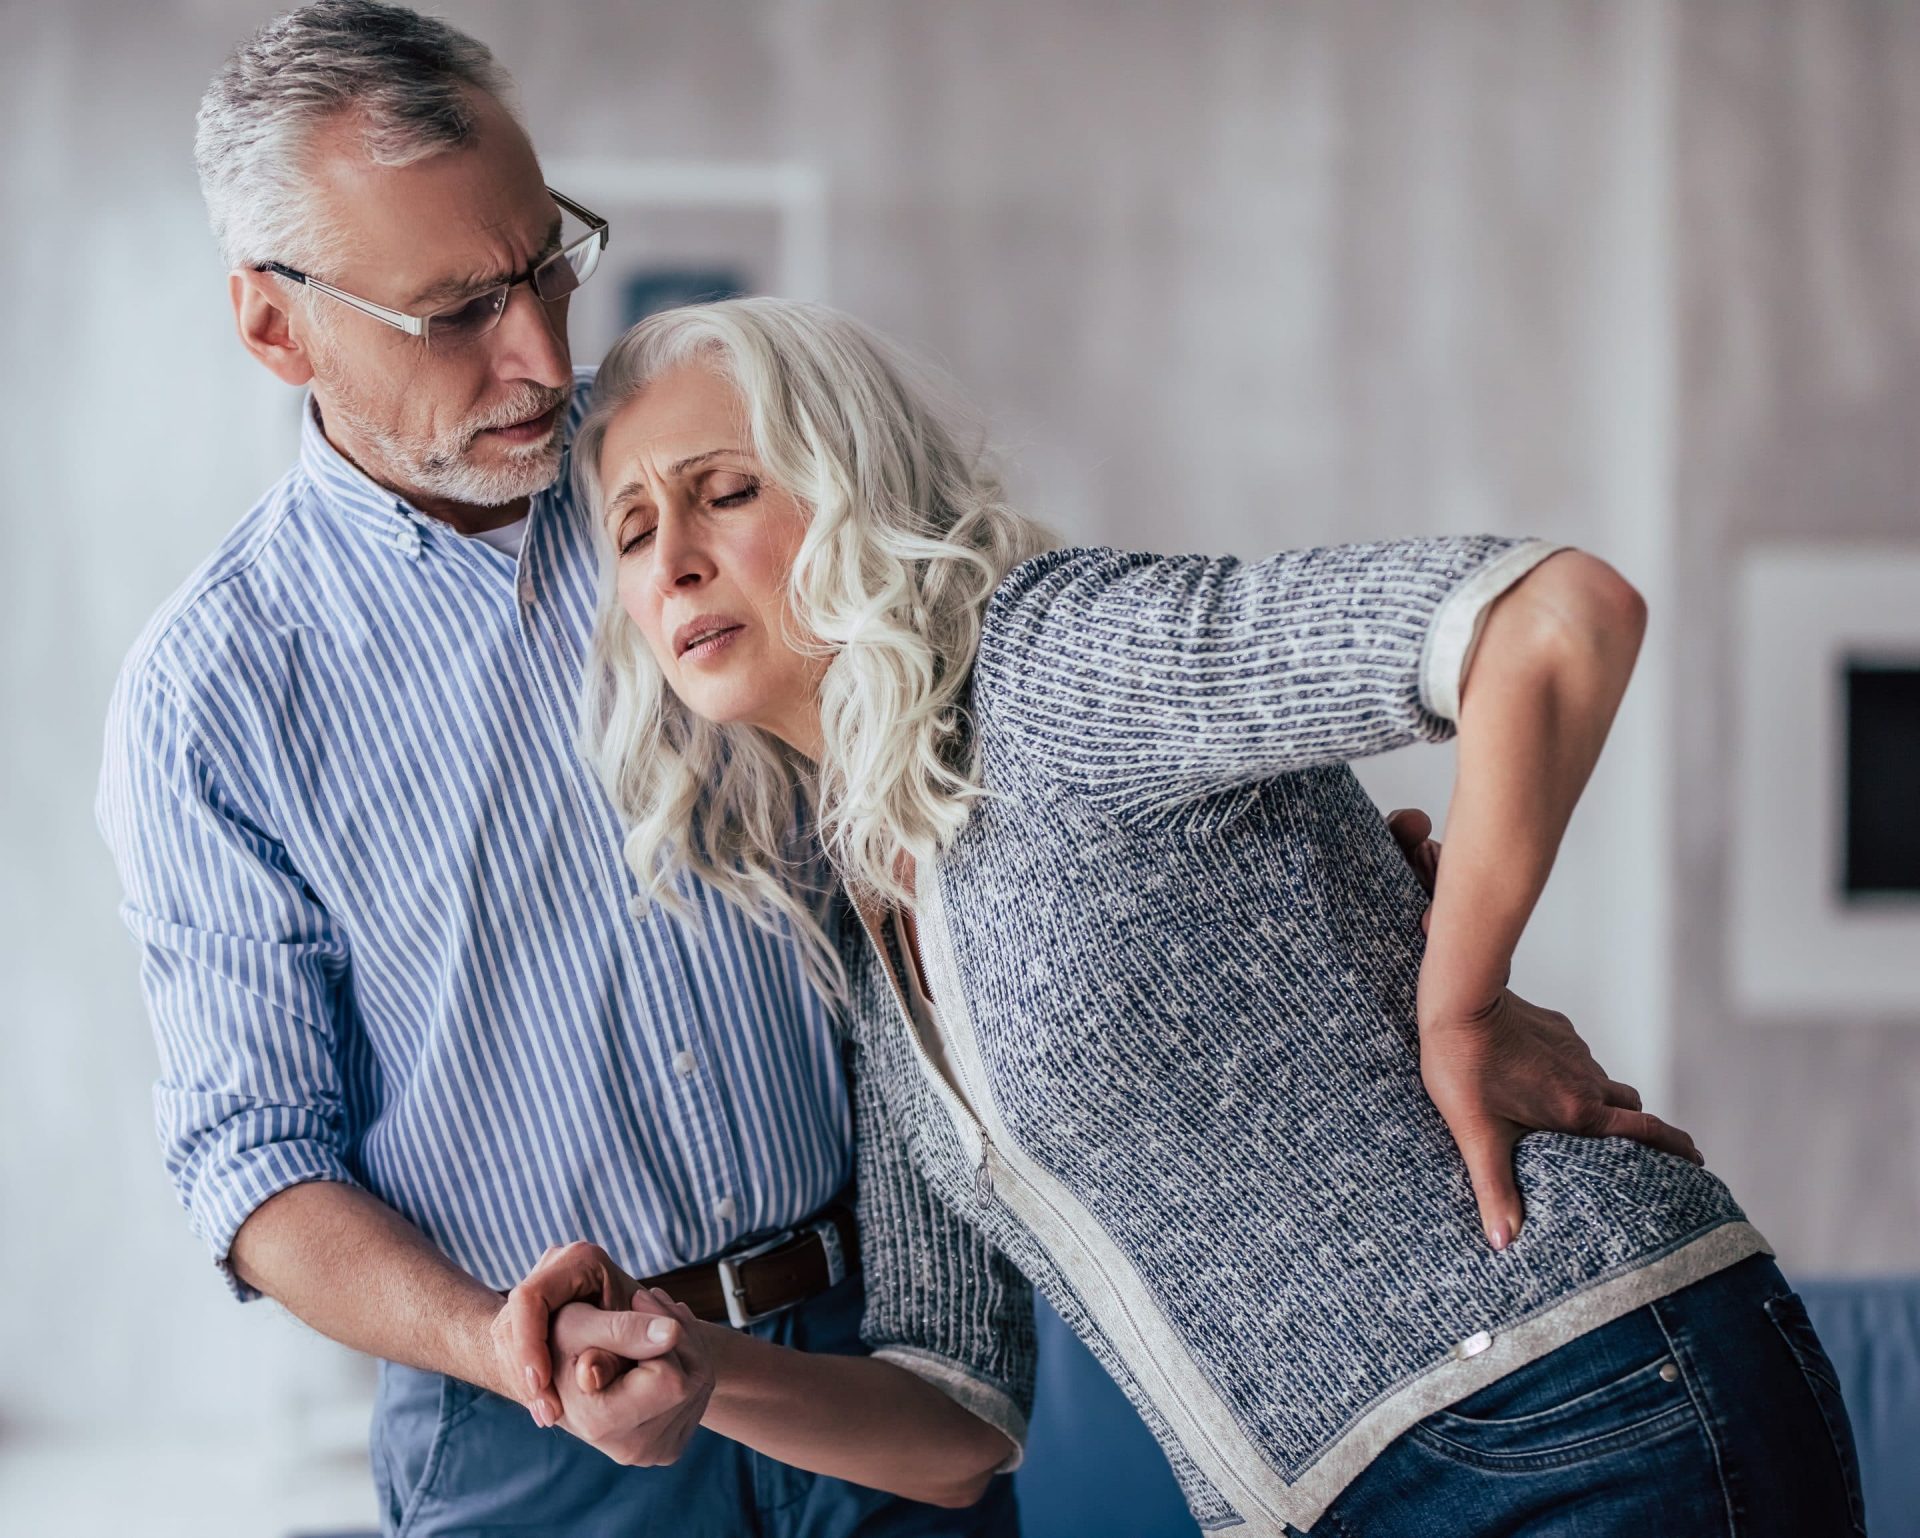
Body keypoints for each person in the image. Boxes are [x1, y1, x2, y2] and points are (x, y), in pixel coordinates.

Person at [513, 297, 1867, 1537]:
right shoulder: (874, 916)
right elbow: (952, 1418)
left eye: (725, 491)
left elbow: (1551, 615)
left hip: (1580, 1411)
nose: (677, 559)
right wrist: (696, 1369)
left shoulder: (1049, 660)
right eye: (633, 532)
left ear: (852, 484)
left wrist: (1462, 1001)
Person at [95, 6, 1023, 1534]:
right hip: (538, 1443)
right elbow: (254, 1160)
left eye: (546, 264)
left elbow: (976, 717)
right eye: (457, 310)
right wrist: (502, 1341)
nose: (539, 352)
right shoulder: (214, 694)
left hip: (875, 1363)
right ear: (276, 325)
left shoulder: (705, 479)